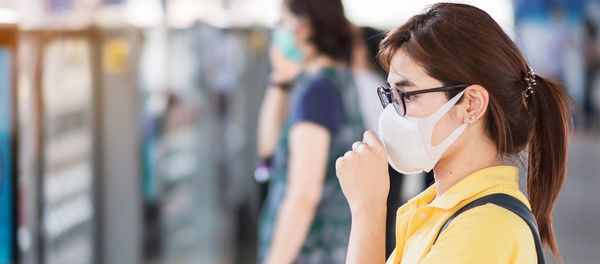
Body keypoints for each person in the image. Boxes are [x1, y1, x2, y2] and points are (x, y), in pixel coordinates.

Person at [335, 3, 573, 264]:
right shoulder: (439, 209)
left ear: (471, 103)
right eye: (391, 96)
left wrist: (367, 211)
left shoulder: (485, 228)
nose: (393, 113)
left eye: (407, 95)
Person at [256, 0, 364, 263]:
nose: (277, 31)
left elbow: (303, 195)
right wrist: (280, 78)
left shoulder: (318, 93)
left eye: (282, 21)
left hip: (308, 251)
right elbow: (267, 149)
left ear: (304, 28)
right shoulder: (334, 79)